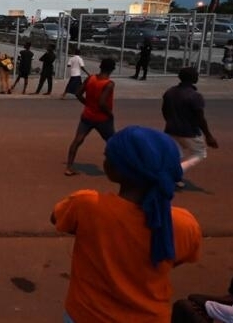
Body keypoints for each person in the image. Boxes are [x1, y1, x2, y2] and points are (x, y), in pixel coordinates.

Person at [53, 125, 202, 322]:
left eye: (107, 157)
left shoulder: (87, 205)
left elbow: (57, 218)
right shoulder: (184, 224)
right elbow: (177, 257)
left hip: (86, 314)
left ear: (114, 170)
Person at [163, 67, 219, 187]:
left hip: (171, 129)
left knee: (176, 154)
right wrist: (208, 135)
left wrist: (171, 122)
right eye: (196, 75)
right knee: (200, 153)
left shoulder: (169, 92)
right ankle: (176, 174)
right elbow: (200, 118)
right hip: (189, 131)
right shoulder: (195, 96)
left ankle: (175, 177)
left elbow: (165, 111)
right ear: (193, 78)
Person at [64, 57, 116, 176]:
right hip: (102, 118)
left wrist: (87, 104)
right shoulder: (109, 84)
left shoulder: (91, 78)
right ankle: (116, 167)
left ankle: (69, 167)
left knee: (77, 140)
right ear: (112, 69)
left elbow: (78, 94)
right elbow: (102, 102)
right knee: (113, 142)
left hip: (87, 115)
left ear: (100, 66)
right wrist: (109, 113)